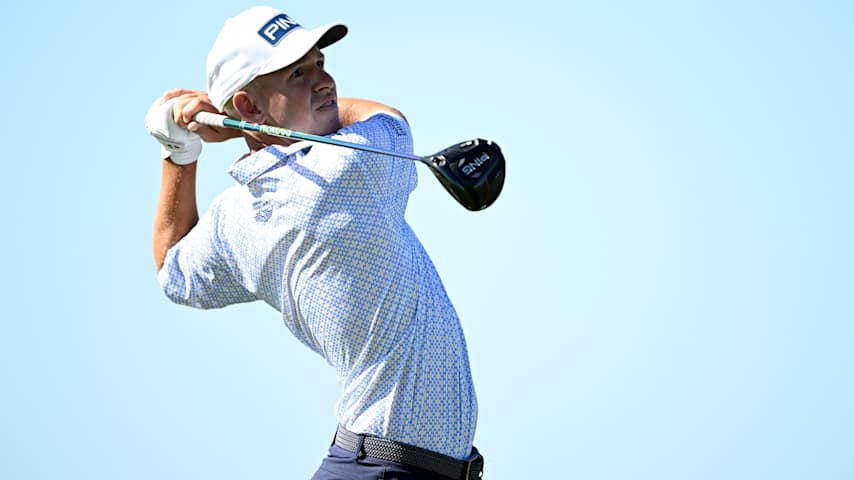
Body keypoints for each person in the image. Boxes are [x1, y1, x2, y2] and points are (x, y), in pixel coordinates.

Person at [144, 6, 484, 480]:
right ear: (248, 106)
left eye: (320, 63)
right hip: (384, 471)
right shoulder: (348, 170)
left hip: (384, 466)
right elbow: (388, 116)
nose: (324, 81)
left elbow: (172, 270)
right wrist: (233, 123)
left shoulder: (233, 215)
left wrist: (178, 152)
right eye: (298, 74)